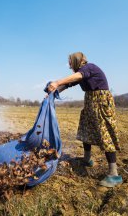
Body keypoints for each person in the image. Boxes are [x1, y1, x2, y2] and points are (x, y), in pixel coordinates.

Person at [47, 52, 122, 187]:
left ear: (77, 61)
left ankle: (114, 174)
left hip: (101, 102)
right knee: (85, 129)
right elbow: (70, 83)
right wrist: (55, 91)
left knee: (104, 134)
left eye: (70, 62)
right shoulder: (82, 73)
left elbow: (79, 76)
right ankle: (87, 159)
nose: (69, 65)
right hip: (90, 101)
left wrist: (57, 82)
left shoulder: (89, 68)